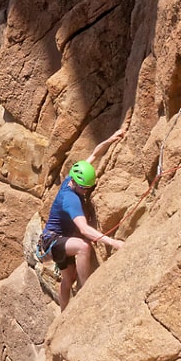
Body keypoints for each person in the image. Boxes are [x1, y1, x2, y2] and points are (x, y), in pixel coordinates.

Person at [38, 128, 126, 310]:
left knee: (68, 278)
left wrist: (110, 139)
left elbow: (94, 155)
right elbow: (85, 230)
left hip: (53, 238)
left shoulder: (73, 177)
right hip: (53, 241)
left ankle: (63, 313)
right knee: (83, 247)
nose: (86, 191)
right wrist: (114, 243)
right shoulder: (70, 199)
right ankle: (86, 292)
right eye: (84, 188)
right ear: (77, 184)